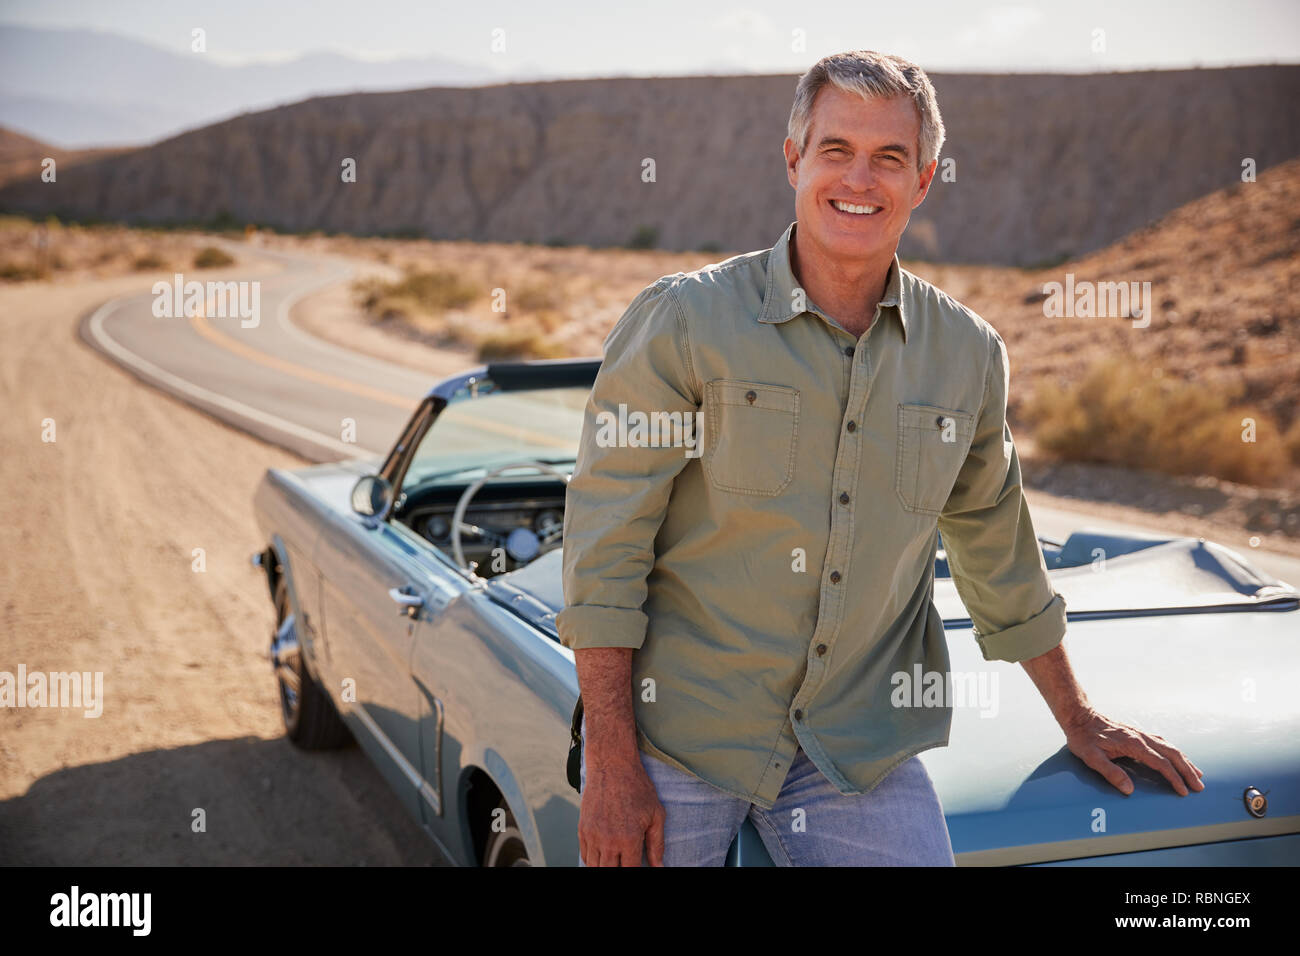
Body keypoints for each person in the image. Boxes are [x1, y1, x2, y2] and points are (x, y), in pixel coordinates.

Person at [557, 49, 1203, 867]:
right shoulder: (684, 320)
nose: (860, 179)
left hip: (854, 747)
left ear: (924, 179)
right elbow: (606, 541)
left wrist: (1079, 716)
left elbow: (996, 549)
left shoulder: (966, 354)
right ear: (794, 159)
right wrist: (613, 759)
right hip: (681, 733)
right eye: (837, 150)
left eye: (889, 158)